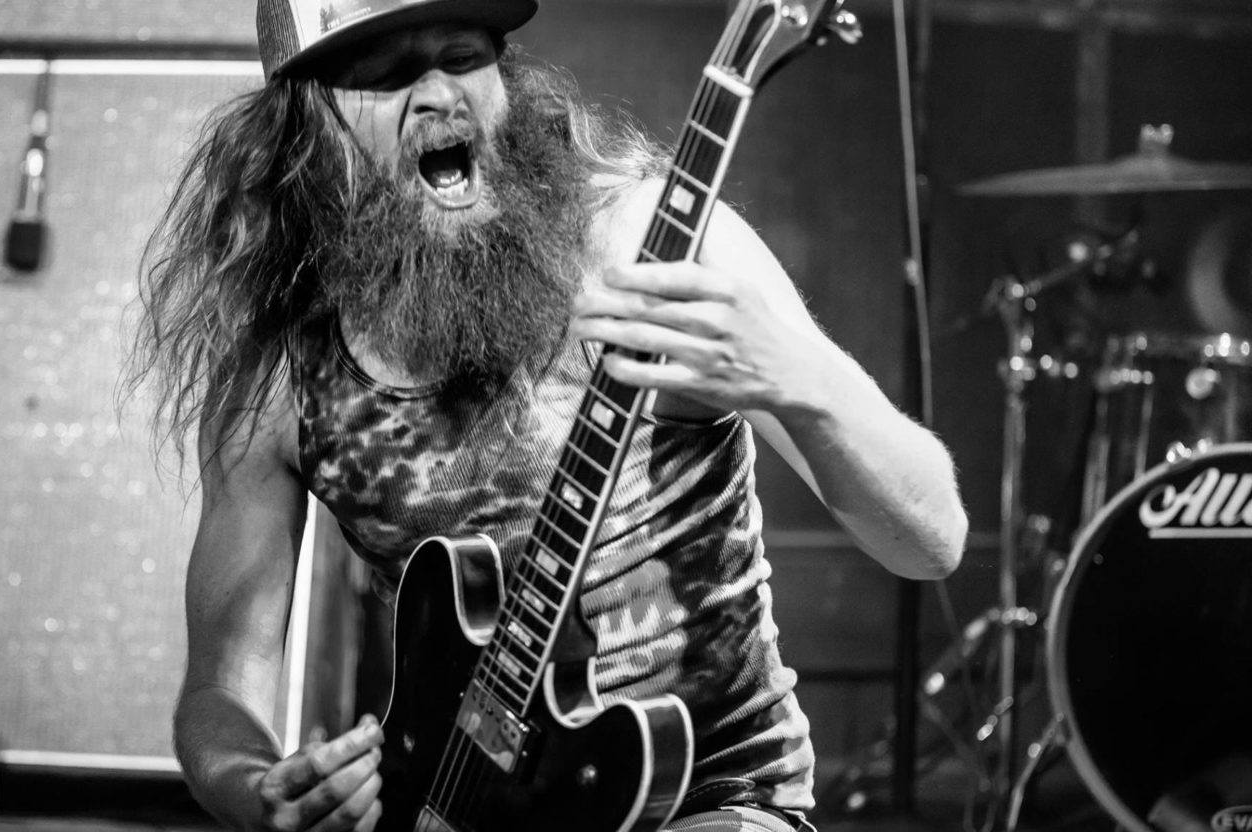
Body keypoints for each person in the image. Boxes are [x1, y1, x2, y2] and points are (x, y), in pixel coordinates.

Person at [126, 0, 968, 830]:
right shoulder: (279, 377)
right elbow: (220, 689)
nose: (439, 95)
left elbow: (930, 540)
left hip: (708, 800)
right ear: (306, 132)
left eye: (463, 57)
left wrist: (801, 382)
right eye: (387, 76)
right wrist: (256, 789)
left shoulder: (643, 249)